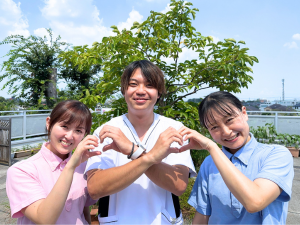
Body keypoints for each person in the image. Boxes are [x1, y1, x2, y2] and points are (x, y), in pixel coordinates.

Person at [85, 60, 196, 224]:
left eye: (149, 85)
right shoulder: (107, 131)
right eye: (133, 84)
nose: (141, 91)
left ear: (158, 93)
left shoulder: (174, 129)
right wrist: (148, 157)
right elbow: (95, 188)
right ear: (124, 90)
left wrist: (133, 151)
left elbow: (179, 185)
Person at [177, 91, 294, 224]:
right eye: (214, 127)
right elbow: (202, 217)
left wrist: (212, 147)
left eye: (229, 120)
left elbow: (255, 201)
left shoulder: (276, 154)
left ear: (244, 113)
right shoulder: (209, 163)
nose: (226, 132)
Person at [6, 100, 101, 224]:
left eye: (78, 131)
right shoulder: (22, 170)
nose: (69, 136)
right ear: (49, 123)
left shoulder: (83, 166)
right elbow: (44, 219)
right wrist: (70, 166)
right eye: (64, 126)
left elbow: (83, 210)